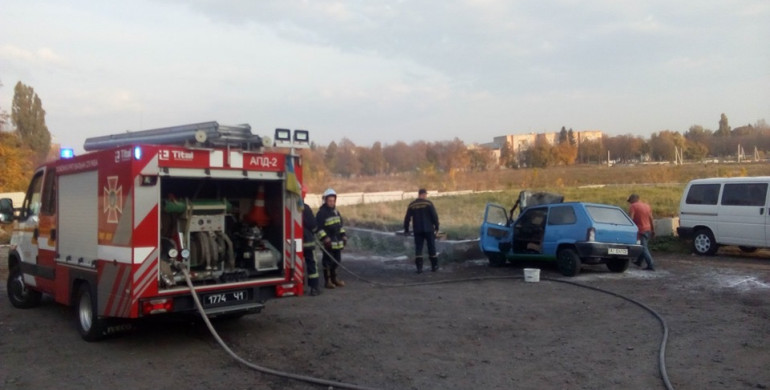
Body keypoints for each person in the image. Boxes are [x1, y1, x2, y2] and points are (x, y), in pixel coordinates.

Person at [315, 188, 347, 288]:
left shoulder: (336, 212)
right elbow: (318, 228)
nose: (331, 202)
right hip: (328, 243)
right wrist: (324, 238)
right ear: (325, 200)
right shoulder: (321, 213)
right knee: (327, 262)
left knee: (337, 261)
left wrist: (344, 236)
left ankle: (335, 279)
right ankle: (327, 281)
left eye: (333, 201)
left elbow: (340, 226)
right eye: (330, 201)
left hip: (337, 242)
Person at [403, 188, 440, 273]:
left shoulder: (412, 205)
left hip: (417, 230)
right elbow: (434, 216)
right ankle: (434, 266)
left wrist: (406, 229)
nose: (426, 196)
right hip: (429, 229)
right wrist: (437, 226)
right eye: (425, 194)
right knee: (431, 247)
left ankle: (419, 268)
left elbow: (407, 218)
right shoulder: (428, 203)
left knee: (419, 248)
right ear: (422, 194)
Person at [301, 186, 322, 296]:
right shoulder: (305, 208)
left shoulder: (290, 207)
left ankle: (299, 286)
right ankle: (314, 287)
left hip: (296, 245)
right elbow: (312, 225)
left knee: (298, 265)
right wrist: (316, 231)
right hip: (308, 242)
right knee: (312, 265)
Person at [627, 193, 655, 271]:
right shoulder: (647, 206)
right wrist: (653, 230)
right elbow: (651, 219)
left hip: (640, 230)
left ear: (633, 199)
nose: (630, 203)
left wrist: (629, 229)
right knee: (643, 246)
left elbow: (631, 219)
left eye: (630, 201)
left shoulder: (633, 206)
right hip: (648, 229)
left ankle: (651, 264)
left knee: (644, 248)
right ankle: (639, 262)